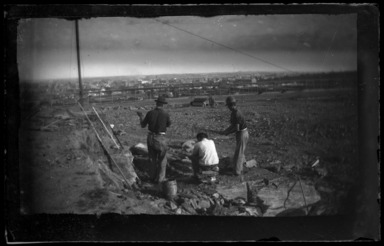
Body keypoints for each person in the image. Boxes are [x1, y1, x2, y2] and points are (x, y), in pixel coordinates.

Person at [137, 96, 171, 184]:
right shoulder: (165, 114)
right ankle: (160, 179)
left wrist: (141, 116)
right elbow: (168, 125)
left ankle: (152, 177)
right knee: (162, 159)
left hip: (150, 137)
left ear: (156, 103)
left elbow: (143, 125)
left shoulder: (150, 113)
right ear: (163, 105)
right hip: (160, 138)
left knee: (152, 159)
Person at [220, 96, 249, 176]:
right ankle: (241, 168)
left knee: (239, 153)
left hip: (242, 133)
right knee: (240, 151)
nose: (228, 108)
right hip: (241, 133)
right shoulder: (234, 112)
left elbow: (237, 128)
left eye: (228, 106)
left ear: (231, 105)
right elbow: (233, 125)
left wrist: (228, 133)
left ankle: (237, 171)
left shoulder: (236, 113)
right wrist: (226, 131)